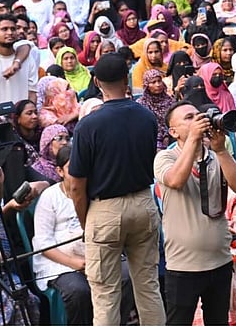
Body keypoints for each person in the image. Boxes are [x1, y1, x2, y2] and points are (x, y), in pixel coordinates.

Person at [66, 51, 166, 326]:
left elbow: (76, 185)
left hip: (105, 208)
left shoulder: (88, 125)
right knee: (148, 286)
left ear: (96, 82)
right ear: (126, 79)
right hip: (143, 202)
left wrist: (86, 221)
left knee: (105, 294)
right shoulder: (146, 116)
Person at [156, 101, 236, 325]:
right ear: (173, 132)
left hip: (220, 259)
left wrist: (221, 150)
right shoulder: (165, 158)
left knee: (218, 321)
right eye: (189, 118)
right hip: (183, 265)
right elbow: (176, 180)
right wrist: (193, 140)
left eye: (199, 115)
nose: (198, 120)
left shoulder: (216, 156)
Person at [35, 143, 136, 326]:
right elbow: (43, 244)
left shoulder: (94, 190)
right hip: (62, 262)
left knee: (127, 276)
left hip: (98, 253)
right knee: (79, 291)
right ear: (59, 171)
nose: (78, 172)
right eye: (71, 168)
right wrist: (74, 262)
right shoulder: (50, 197)